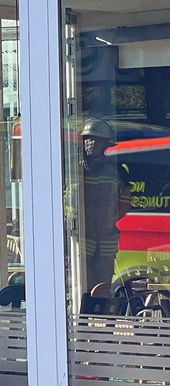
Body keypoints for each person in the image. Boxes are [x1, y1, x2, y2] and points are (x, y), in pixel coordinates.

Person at [68, 118, 132, 290]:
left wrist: (109, 220)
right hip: (82, 234)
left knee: (103, 282)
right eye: (87, 139)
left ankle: (102, 312)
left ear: (106, 144)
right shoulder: (72, 169)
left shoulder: (116, 171)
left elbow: (124, 200)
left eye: (95, 140)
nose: (90, 143)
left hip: (106, 234)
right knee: (81, 280)